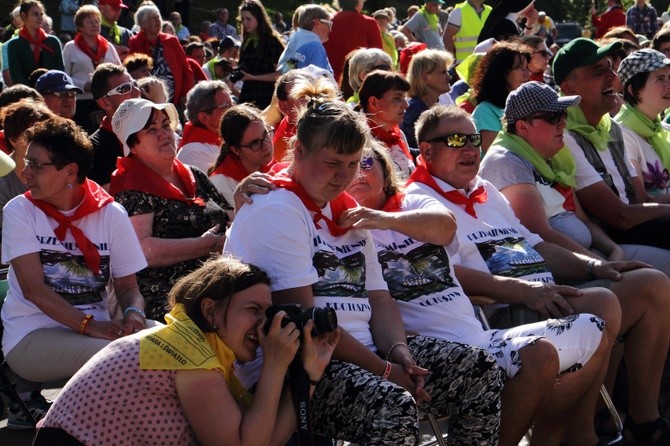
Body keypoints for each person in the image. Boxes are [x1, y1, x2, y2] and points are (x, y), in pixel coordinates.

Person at [224, 95, 504, 445]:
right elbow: (307, 324)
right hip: (298, 366)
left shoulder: (347, 210)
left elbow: (379, 298)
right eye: (332, 162)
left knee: (478, 370)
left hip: (366, 355)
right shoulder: (277, 208)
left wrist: (399, 351)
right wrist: (386, 371)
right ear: (298, 153)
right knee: (392, 406)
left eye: (354, 163)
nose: (343, 175)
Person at [407, 104, 667, 444]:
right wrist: (523, 291)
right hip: (497, 311)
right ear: (426, 150)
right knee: (600, 305)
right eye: (457, 140)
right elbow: (447, 274)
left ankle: (644, 421)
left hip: (546, 293)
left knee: (649, 283)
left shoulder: (484, 189)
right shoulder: (417, 202)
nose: (471, 149)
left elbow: (537, 245)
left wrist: (594, 264)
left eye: (473, 139)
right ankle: (576, 436)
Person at [347, 140, 613, 446]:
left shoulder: (413, 203)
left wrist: (379, 217)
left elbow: (445, 226)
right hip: (425, 348)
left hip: (476, 336)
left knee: (592, 329)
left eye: (365, 163)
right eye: (348, 165)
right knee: (538, 355)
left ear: (385, 168)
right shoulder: (342, 228)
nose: (356, 172)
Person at [480, 81, 670, 444]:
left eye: (563, 115)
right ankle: (594, 428)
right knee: (644, 288)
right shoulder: (507, 162)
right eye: (552, 117)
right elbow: (538, 237)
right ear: (522, 126)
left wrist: (610, 252)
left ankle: (641, 418)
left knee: (651, 283)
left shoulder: (551, 158)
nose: (562, 123)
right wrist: (594, 264)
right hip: (549, 277)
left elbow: (578, 218)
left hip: (582, 261)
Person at [34, 256, 339, 445]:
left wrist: (308, 377)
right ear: (210, 310)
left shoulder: (205, 352)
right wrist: (274, 364)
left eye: (267, 312)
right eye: (253, 309)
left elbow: (263, 439)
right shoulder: (185, 348)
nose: (263, 324)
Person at [1, 116, 148, 429]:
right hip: (31, 337)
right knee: (129, 357)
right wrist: (89, 326)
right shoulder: (19, 210)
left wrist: (134, 314)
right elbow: (33, 290)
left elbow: (127, 285)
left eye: (36, 165)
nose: (25, 172)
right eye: (27, 162)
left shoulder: (110, 212)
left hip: (100, 330)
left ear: (69, 172)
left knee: (178, 342)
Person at [109, 98, 232, 321]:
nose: (164, 133)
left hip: (216, 279)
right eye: (151, 130)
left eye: (165, 125)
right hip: (170, 297)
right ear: (133, 146)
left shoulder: (193, 174)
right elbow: (143, 250)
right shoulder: (132, 187)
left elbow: (227, 216)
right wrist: (207, 245)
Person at [554, 38, 670, 251]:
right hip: (610, 241)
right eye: (598, 71)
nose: (612, 77)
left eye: (610, 67)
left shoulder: (611, 128)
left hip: (637, 226)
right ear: (569, 88)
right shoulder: (564, 136)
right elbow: (619, 216)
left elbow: (637, 199)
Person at [614, 49, 670, 196]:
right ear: (634, 90)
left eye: (669, 77)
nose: (668, 84)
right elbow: (641, 201)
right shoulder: (622, 134)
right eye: (660, 78)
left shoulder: (663, 130)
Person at [63, 5, 122, 134]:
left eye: (97, 21)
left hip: (109, 101)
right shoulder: (70, 48)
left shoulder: (108, 46)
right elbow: (64, 77)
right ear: (80, 27)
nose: (95, 24)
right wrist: (85, 85)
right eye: (90, 21)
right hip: (83, 103)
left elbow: (120, 71)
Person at [0, 100, 54, 236]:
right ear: (13, 139)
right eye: (32, 137)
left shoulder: (59, 170)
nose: (42, 143)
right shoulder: (3, 180)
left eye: (46, 135)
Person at [128, 4, 194, 107]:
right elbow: (133, 72)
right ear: (143, 23)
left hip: (175, 98)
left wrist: (185, 93)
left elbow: (186, 69)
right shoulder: (135, 42)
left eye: (158, 17)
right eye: (153, 18)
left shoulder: (171, 40)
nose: (158, 20)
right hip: (148, 98)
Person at [209, 104, 276, 207]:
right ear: (236, 150)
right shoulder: (222, 183)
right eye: (255, 143)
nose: (266, 146)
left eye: (266, 134)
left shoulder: (271, 167)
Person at [471, 40, 531, 152]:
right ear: (502, 73)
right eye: (520, 68)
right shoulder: (485, 112)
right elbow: (499, 155)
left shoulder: (527, 105)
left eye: (527, 67)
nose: (528, 73)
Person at [88, 63, 141, 189]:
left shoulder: (153, 129)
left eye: (134, 84)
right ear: (105, 103)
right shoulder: (94, 148)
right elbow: (111, 198)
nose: (137, 91)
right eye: (125, 88)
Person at [358, 70, 415, 179]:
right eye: (397, 98)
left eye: (405, 98)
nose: (406, 105)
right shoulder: (358, 138)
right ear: (374, 103)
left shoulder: (398, 135)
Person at [234, 0, 285, 110]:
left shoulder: (272, 42)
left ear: (259, 18)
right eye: (242, 19)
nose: (245, 23)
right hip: (247, 96)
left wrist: (254, 78)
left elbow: (281, 74)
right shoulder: (248, 41)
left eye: (248, 19)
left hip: (266, 97)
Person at [400, 49, 453, 149]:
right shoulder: (416, 111)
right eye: (443, 72)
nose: (449, 77)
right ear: (425, 78)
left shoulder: (427, 105)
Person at [177, 80, 233, 172]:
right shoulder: (193, 152)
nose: (234, 110)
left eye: (232, 104)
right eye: (225, 106)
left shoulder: (226, 137)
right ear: (204, 117)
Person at [5, 1, 64, 87]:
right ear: (24, 16)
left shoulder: (53, 41)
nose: (40, 18)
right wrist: (35, 91)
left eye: (41, 14)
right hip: (27, 96)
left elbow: (60, 71)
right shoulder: (14, 45)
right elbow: (16, 78)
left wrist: (49, 91)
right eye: (35, 14)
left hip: (52, 93)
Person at [323, 0, 383, 83]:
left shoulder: (328, 21)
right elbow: (378, 54)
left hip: (329, 76)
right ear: (357, 2)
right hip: (358, 78)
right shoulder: (369, 23)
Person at [276, 5, 333, 74]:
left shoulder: (296, 38)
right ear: (317, 23)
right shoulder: (315, 46)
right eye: (329, 24)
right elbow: (322, 81)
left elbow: (285, 71)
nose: (330, 30)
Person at [443, 0, 492, 65]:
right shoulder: (458, 11)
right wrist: (453, 61)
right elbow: (447, 38)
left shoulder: (490, 10)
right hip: (464, 63)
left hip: (485, 62)